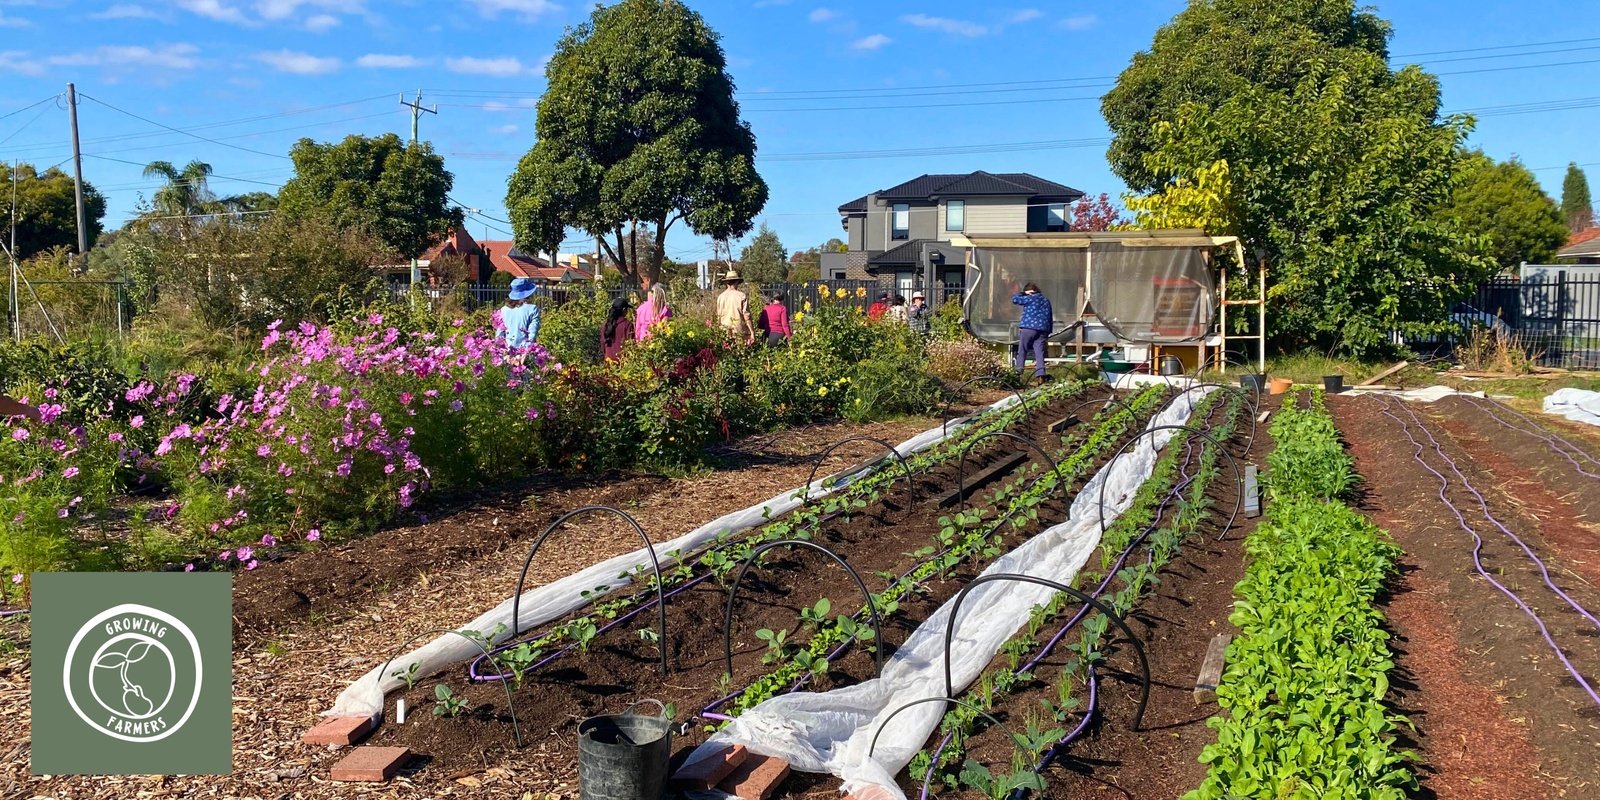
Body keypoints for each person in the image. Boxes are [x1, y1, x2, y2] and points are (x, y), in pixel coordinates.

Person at [1012, 282, 1053, 382]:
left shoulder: (1030, 298)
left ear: (1030, 292)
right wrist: (1048, 332)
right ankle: (1041, 377)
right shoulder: (1046, 301)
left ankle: (1018, 375)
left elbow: (1014, 299)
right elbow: (1050, 317)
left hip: (1028, 328)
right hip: (1043, 330)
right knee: (1039, 353)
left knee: (1022, 350)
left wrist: (1022, 293)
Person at [496, 277, 542, 358]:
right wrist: (525, 352)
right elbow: (532, 334)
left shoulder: (503, 310)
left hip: (507, 353)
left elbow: (499, 334)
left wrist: (501, 352)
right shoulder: (532, 309)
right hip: (525, 354)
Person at [716, 269, 755, 344]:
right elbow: (747, 316)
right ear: (736, 282)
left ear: (727, 283)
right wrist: (752, 332)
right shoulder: (741, 296)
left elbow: (719, 316)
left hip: (724, 330)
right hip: (739, 330)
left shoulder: (720, 297)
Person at [602, 296, 634, 362]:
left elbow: (603, 345)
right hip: (622, 363)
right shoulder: (627, 325)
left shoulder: (605, 324)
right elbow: (631, 345)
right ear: (624, 310)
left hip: (608, 361)